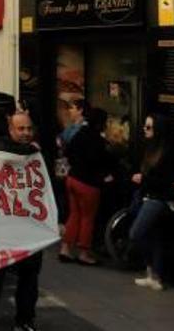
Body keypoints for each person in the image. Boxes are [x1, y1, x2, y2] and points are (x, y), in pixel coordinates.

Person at [0, 112, 44, 331]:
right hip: (1, 225)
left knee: (30, 273)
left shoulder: (37, 154)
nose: (26, 133)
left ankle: (25, 319)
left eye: (29, 128)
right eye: (21, 129)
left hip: (30, 224)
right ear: (11, 130)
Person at [129, 113, 174, 292]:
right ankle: (154, 274)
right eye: (145, 126)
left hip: (159, 198)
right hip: (149, 195)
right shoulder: (150, 148)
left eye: (149, 127)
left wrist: (144, 179)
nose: (144, 129)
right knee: (154, 235)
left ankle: (154, 273)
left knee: (137, 233)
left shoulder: (167, 152)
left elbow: (168, 181)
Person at [59, 107, 115, 265]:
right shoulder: (97, 140)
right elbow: (101, 161)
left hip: (73, 179)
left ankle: (65, 249)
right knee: (87, 218)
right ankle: (84, 253)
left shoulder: (79, 134)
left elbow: (68, 152)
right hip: (88, 183)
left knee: (74, 214)